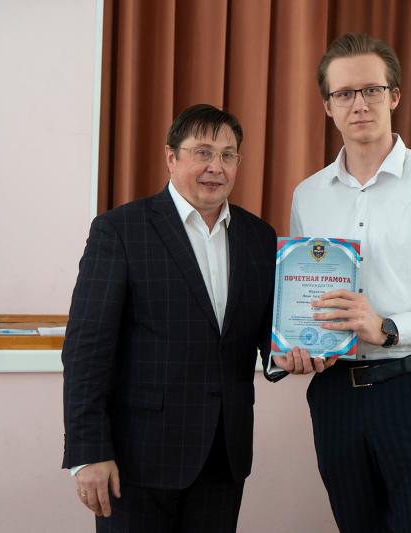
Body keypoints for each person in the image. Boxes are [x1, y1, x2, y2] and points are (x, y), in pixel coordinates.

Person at [272, 33, 411, 532]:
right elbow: (303, 294)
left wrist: (390, 328)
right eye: (344, 94)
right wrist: (300, 347)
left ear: (394, 96)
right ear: (328, 107)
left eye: (371, 90)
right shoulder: (309, 194)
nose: (359, 104)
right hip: (334, 396)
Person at [62, 104, 280, 532]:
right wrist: (88, 451)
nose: (216, 167)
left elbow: (265, 337)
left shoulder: (259, 237)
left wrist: (292, 354)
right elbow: (87, 350)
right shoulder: (121, 230)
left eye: (228, 155)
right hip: (137, 458)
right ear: (171, 157)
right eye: (203, 152)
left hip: (224, 456)